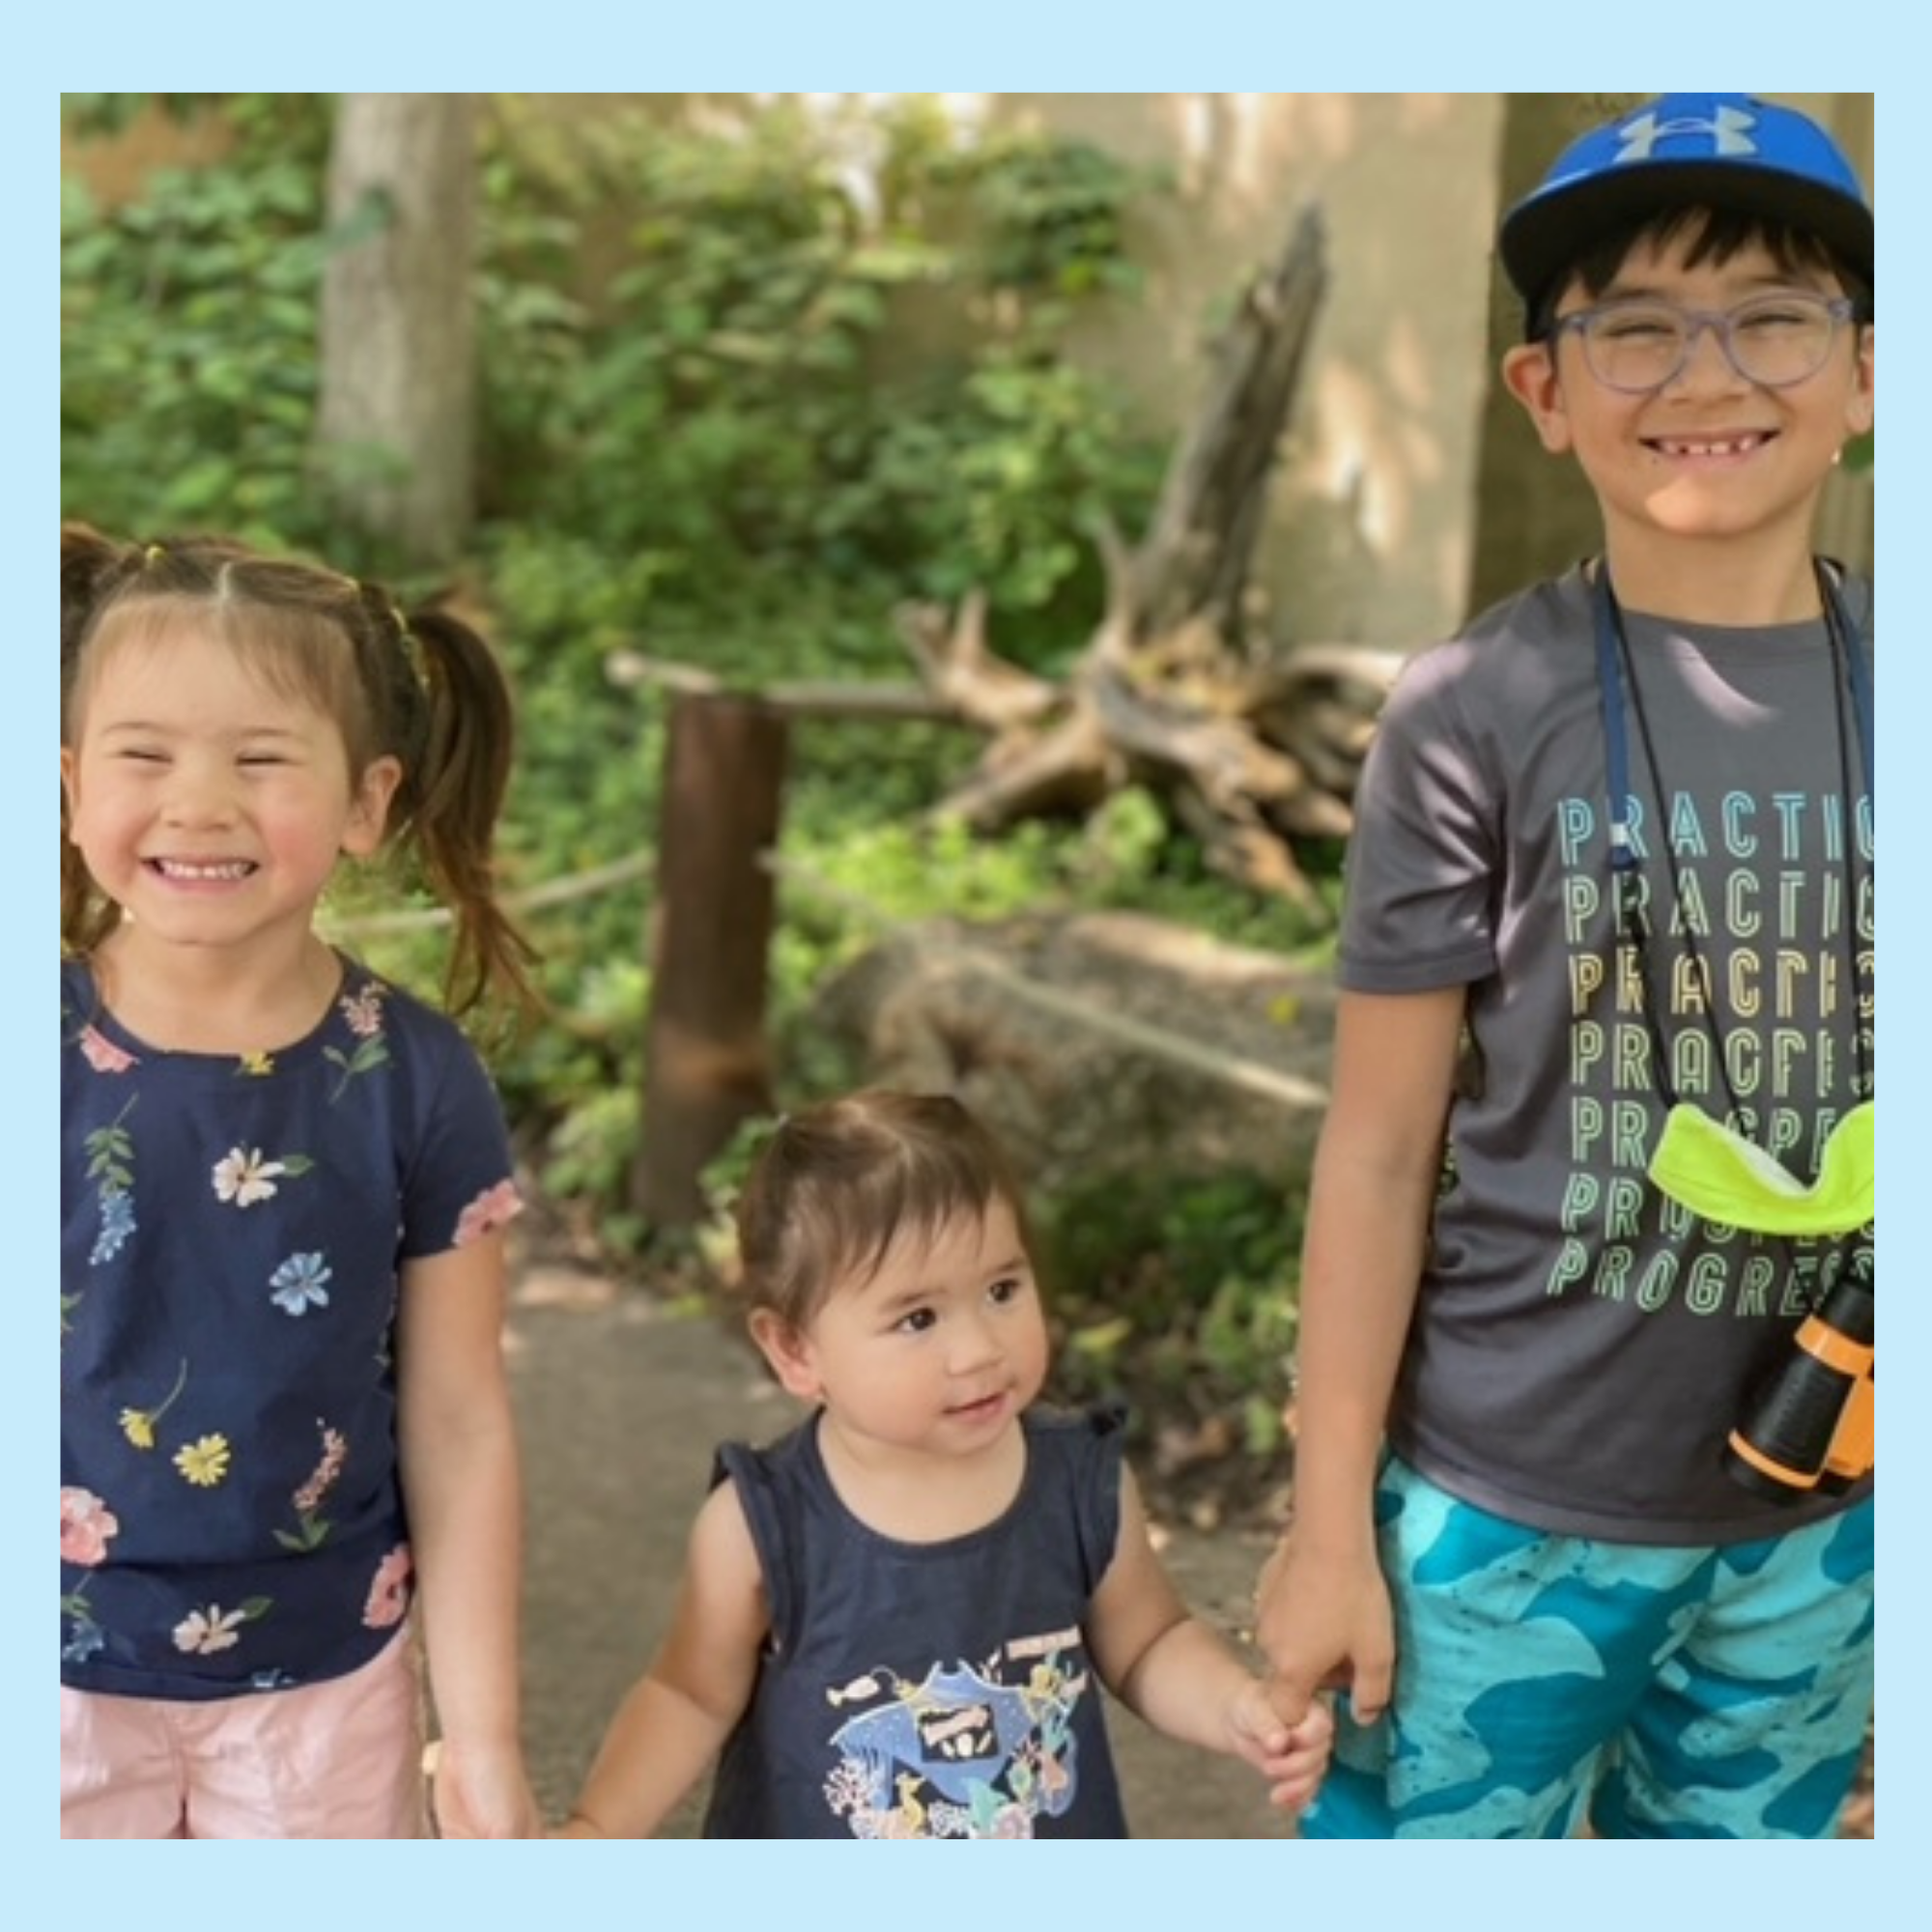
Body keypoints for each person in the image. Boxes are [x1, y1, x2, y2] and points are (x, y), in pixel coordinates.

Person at [1253, 93, 1874, 1839]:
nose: (1706, 377)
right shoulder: (1473, 710)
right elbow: (1378, 1150)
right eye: (1635, 329)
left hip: (1827, 1520)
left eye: (1771, 317)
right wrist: (1323, 1529)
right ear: (1547, 391)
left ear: (1868, 374)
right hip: (1502, 1522)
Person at [60, 526, 543, 1838]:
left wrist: (483, 1741)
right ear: (65, 782)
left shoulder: (416, 1077)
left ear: (367, 801)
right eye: (143, 754)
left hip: (324, 1695)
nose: (199, 803)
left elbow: (457, 1416)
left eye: (261, 759)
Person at [556, 1090, 1332, 1838]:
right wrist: (596, 1830)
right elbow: (688, 1695)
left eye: (1001, 1289)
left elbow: (1148, 1644)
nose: (979, 1349)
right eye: (918, 1317)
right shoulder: (764, 1528)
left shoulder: (1078, 1485)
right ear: (795, 1349)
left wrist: (1235, 1705)